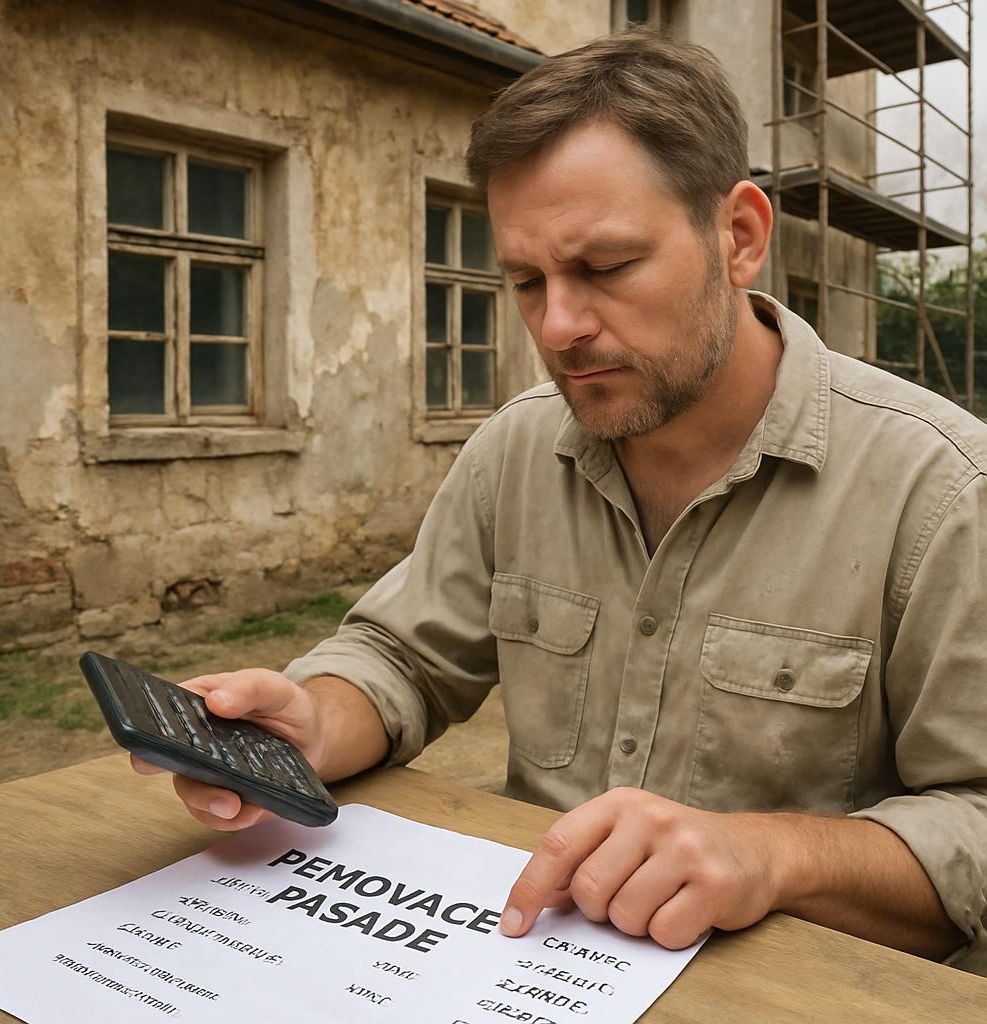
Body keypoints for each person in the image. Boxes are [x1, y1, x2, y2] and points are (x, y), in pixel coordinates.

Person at [132, 28, 987, 971]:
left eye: (606, 267)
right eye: (526, 281)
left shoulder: (943, 493)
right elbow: (403, 656)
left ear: (739, 236)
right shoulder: (516, 449)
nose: (560, 325)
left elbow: (978, 823)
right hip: (520, 967)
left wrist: (773, 856)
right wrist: (317, 718)